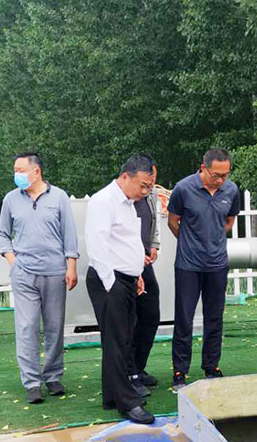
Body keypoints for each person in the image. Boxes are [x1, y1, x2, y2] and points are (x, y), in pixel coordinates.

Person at [0, 152, 79, 404]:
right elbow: (3, 234)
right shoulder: (11, 199)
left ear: (36, 172)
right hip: (24, 273)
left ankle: (53, 377)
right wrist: (13, 261)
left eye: (21, 170)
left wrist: (71, 266)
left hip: (54, 272)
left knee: (54, 327)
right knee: (27, 328)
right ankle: (32, 382)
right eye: (15, 170)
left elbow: (69, 234)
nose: (17, 175)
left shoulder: (59, 197)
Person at [85, 155, 156, 425]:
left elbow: (128, 241)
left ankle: (112, 396)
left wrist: (136, 274)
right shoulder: (104, 201)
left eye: (149, 186)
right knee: (117, 342)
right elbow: (97, 243)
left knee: (123, 339)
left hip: (126, 278)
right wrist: (112, 283)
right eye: (143, 185)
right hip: (109, 280)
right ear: (126, 176)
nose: (145, 191)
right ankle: (128, 403)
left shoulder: (128, 203)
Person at [167, 148, 241, 390]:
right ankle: (180, 371)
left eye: (225, 175)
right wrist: (191, 241)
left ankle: (211, 367)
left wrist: (214, 239)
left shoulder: (231, 190)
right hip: (188, 265)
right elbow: (173, 221)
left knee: (214, 317)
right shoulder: (183, 189)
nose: (220, 180)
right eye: (216, 175)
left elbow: (229, 221)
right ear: (203, 168)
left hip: (217, 264)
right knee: (184, 318)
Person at [129, 158, 162, 392]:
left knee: (151, 315)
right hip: (125, 264)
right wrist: (135, 254)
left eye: (153, 182)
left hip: (145, 262)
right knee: (130, 320)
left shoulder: (150, 195)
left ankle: (139, 367)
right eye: (146, 183)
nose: (149, 187)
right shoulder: (122, 198)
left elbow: (153, 221)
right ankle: (129, 373)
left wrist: (153, 244)